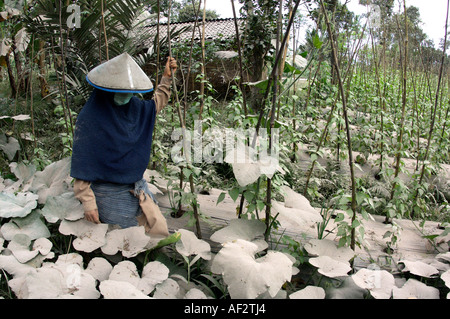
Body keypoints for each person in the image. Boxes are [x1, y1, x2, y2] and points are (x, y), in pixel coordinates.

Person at [70, 53, 177, 237]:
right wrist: (88, 203)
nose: (126, 95)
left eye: (129, 91)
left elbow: (155, 105)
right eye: (121, 91)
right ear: (107, 89)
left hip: (137, 186)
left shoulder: (134, 108)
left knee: (157, 233)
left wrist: (166, 78)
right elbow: (82, 163)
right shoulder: (91, 118)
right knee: (126, 242)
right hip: (108, 193)